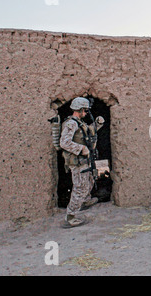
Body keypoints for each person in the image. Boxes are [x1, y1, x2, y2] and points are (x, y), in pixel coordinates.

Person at [59, 97, 104, 228]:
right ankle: (70, 216)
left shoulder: (79, 123)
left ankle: (84, 201)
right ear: (79, 109)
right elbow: (64, 142)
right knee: (80, 188)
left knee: (89, 181)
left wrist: (97, 124)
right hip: (77, 162)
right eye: (85, 110)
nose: (86, 113)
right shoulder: (71, 123)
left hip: (85, 160)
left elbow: (87, 134)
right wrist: (81, 149)